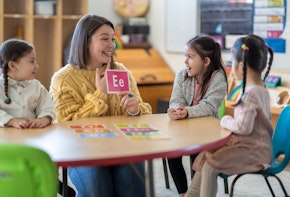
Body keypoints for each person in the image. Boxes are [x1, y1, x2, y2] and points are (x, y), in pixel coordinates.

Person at [49, 14, 152, 197]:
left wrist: (135, 109)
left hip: (120, 147)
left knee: (133, 173)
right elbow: (65, 124)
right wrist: (100, 94)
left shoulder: (120, 71)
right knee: (98, 183)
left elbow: (144, 111)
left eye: (112, 38)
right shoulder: (63, 79)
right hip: (81, 152)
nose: (111, 45)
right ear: (84, 41)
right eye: (104, 39)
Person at [185, 34, 274, 197]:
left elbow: (243, 127)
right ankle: (191, 195)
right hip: (252, 145)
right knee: (207, 153)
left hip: (254, 151)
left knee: (210, 166)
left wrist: (226, 120)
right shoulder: (261, 88)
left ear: (240, 65)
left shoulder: (251, 93)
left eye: (232, 62)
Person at [166, 36, 228, 197]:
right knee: (172, 151)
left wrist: (186, 112)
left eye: (190, 57)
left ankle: (195, 191)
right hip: (183, 128)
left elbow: (209, 106)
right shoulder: (182, 75)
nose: (186, 61)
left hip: (207, 132)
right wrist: (175, 109)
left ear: (206, 61)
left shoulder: (218, 78)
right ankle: (183, 193)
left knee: (197, 151)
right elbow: (175, 100)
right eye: (186, 56)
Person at [0, 38, 55, 129]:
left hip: (32, 135)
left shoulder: (37, 87)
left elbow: (48, 107)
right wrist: (11, 121)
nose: (37, 66)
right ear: (12, 65)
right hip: (6, 138)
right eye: (31, 61)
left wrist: (44, 119)